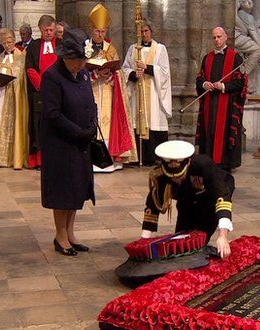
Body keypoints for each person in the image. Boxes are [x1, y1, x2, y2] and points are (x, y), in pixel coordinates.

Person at [41, 28, 97, 256]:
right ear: (66, 58)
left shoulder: (82, 74)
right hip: (60, 143)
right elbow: (53, 114)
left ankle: (71, 233)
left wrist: (92, 124)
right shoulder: (52, 77)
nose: (82, 65)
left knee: (76, 189)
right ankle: (60, 236)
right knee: (62, 191)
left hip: (80, 142)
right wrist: (78, 132)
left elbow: (90, 102)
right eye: (78, 61)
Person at [140, 140, 233, 259]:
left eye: (180, 176)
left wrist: (223, 236)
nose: (176, 180)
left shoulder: (203, 165)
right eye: (172, 178)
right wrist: (143, 241)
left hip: (211, 195)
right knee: (180, 243)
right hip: (186, 197)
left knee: (200, 238)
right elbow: (152, 206)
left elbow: (222, 198)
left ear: (187, 164)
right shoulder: (162, 174)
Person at [87, 3, 137, 172]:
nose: (100, 35)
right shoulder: (84, 48)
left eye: (103, 32)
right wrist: (94, 75)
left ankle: (109, 159)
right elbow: (78, 71)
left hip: (108, 89)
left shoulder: (111, 48)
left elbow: (119, 73)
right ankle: (91, 158)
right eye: (97, 31)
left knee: (107, 123)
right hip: (91, 90)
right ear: (91, 30)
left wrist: (109, 74)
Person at [195, 26, 247, 171]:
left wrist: (222, 85)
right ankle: (207, 161)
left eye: (219, 37)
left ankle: (224, 163)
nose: (217, 40)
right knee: (209, 130)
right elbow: (199, 78)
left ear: (225, 38)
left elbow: (240, 82)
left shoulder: (235, 58)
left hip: (227, 104)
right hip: (209, 103)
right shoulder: (207, 58)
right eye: (214, 37)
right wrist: (205, 84)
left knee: (223, 132)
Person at [122, 20, 172, 166]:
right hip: (137, 92)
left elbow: (164, 72)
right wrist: (133, 74)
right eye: (141, 31)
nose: (144, 34)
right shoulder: (133, 49)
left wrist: (148, 67)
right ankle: (136, 157)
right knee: (136, 121)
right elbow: (124, 69)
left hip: (153, 94)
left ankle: (153, 157)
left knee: (153, 121)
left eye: (146, 31)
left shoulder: (160, 49)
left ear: (151, 32)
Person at [0, 27, 28, 169]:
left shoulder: (22, 55)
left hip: (13, 96)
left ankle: (11, 157)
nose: (7, 45)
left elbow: (21, 77)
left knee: (12, 124)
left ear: (14, 40)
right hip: (0, 95)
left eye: (9, 42)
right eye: (4, 43)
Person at [25, 15, 59, 169]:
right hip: (39, 92)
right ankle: (40, 160)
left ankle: (57, 158)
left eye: (51, 30)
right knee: (39, 126)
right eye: (46, 30)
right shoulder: (33, 46)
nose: (49, 33)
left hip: (58, 91)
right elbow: (30, 68)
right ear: (40, 29)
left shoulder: (61, 44)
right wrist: (41, 85)